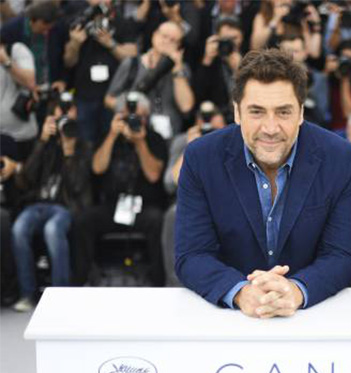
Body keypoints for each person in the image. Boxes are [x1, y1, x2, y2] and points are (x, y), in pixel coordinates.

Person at [175, 48, 351, 317]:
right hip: (229, 321)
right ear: (237, 112)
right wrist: (240, 292)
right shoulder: (201, 158)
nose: (270, 128)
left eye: (283, 112)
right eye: (257, 112)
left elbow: (340, 255)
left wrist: (296, 291)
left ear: (301, 113)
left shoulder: (340, 158)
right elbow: (192, 254)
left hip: (310, 319)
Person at [73, 92, 168, 287]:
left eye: (138, 116)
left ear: (146, 117)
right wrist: (112, 135)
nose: (132, 120)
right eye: (127, 115)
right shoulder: (108, 136)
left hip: (144, 207)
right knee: (83, 220)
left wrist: (140, 142)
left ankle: (159, 282)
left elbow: (153, 175)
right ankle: (80, 282)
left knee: (158, 220)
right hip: (112, 205)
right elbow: (97, 168)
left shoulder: (154, 138)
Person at [10, 93, 93, 312]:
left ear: (76, 113)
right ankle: (27, 294)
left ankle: (60, 295)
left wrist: (68, 153)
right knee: (19, 229)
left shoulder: (83, 145)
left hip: (64, 207)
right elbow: (25, 179)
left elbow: (77, 187)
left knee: (52, 229)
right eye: (60, 109)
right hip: (36, 204)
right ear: (52, 114)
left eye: (69, 108)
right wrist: (42, 142)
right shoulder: (44, 143)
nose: (65, 113)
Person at [161, 101, 226, 287]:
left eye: (212, 115)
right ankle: (175, 285)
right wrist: (192, 148)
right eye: (203, 117)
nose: (208, 122)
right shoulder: (184, 140)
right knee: (173, 215)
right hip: (191, 202)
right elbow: (170, 183)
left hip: (227, 200)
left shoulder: (234, 138)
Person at [63, 0, 139, 145]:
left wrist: (111, 44)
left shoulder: (122, 22)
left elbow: (132, 57)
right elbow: (68, 62)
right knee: (85, 141)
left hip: (113, 95)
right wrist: (75, 43)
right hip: (84, 94)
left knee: (112, 140)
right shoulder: (78, 22)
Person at [104, 21, 194, 141]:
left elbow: (186, 107)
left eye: (173, 40)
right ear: (154, 35)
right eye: (164, 36)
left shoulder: (181, 69)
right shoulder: (132, 64)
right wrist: (128, 106)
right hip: (135, 132)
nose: (167, 41)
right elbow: (108, 99)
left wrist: (177, 68)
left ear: (179, 46)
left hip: (169, 136)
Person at [193, 16, 244, 125]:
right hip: (214, 119)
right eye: (225, 39)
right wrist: (207, 60)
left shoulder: (249, 60)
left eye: (234, 38)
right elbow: (197, 97)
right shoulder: (210, 63)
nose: (230, 43)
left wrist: (240, 71)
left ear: (241, 37)